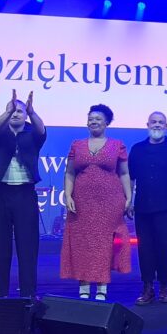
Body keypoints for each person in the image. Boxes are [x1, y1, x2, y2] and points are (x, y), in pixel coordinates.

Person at [61, 104, 132, 300]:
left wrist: (129, 198)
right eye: (91, 118)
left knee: (103, 244)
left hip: (110, 202)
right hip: (82, 202)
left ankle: (102, 287)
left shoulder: (117, 145)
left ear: (107, 122)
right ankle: (83, 286)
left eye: (98, 118)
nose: (93, 121)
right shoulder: (77, 145)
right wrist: (68, 195)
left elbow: (124, 173)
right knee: (82, 242)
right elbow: (69, 173)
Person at [0, 90, 47, 300]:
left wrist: (32, 112)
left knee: (28, 245)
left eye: (20, 111)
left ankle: (28, 293)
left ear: (26, 115)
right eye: (12, 111)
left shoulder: (32, 134)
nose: (15, 114)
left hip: (25, 193)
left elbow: (42, 131)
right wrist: (7, 111)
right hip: (1, 193)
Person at [127, 111, 167, 305]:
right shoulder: (137, 149)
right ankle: (147, 288)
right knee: (145, 250)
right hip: (143, 209)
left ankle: (164, 286)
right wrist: (128, 201)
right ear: (147, 125)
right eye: (153, 122)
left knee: (166, 249)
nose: (157, 125)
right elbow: (130, 178)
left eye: (160, 122)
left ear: (166, 126)